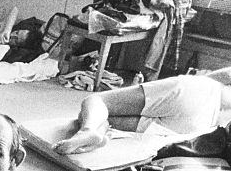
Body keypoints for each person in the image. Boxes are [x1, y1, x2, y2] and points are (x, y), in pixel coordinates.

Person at [55, 67, 231, 154]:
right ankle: (94, 136)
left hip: (200, 92)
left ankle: (88, 130)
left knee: (98, 101)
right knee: (106, 119)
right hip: (200, 127)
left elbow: (219, 78)